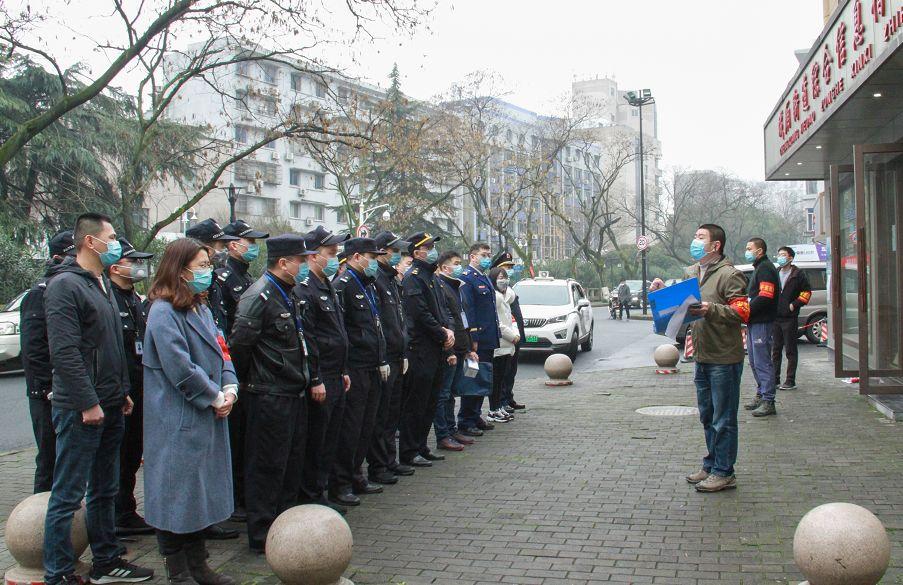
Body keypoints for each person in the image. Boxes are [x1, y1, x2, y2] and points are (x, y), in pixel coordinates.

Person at [43, 213, 153, 585]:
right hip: (80, 408)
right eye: (110, 237)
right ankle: (58, 573)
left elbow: (110, 348)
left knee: (105, 488)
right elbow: (66, 353)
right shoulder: (65, 287)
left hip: (109, 403)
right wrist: (88, 402)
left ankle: (106, 560)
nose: (117, 244)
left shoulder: (101, 283)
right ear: (90, 242)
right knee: (68, 494)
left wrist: (120, 391)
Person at [142, 238, 237, 585]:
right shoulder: (163, 311)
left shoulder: (202, 307)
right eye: (201, 266)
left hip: (208, 414)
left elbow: (222, 351)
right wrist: (213, 396)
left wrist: (230, 387)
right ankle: (178, 570)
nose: (208, 273)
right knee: (174, 497)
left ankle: (199, 565)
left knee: (200, 494)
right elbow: (179, 366)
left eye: (208, 266)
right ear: (180, 270)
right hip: (177, 418)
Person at [229, 235, 312, 553]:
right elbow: (240, 349)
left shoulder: (287, 293)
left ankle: (285, 528)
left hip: (292, 391)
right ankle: (262, 533)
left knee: (290, 466)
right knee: (267, 467)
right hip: (268, 394)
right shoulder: (259, 296)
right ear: (283, 262)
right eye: (301, 261)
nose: (304, 266)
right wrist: (255, 383)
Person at [685, 223, 749, 493]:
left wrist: (712, 310)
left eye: (701, 237)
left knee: (724, 418)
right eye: (695, 235)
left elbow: (743, 312)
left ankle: (725, 471)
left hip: (724, 358)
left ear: (716, 245)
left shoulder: (729, 275)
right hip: (703, 354)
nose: (695, 241)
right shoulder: (693, 273)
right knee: (708, 415)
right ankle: (711, 464)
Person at [294, 226, 352, 514]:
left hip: (334, 373)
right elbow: (310, 339)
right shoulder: (306, 290)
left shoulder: (327, 284)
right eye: (330, 254)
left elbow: (336, 333)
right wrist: (315, 377)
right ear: (313, 256)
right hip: (320, 377)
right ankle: (312, 496)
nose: (334, 258)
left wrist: (342, 369)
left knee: (331, 439)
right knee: (317, 441)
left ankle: (324, 490)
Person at [215, 219, 268, 525]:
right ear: (233, 245)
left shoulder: (246, 278)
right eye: (249, 242)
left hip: (246, 373)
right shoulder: (223, 279)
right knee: (235, 440)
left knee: (246, 439)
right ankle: (234, 500)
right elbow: (230, 332)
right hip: (235, 369)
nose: (253, 248)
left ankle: (244, 495)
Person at [330, 238, 389, 506]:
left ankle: (356, 474)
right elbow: (343, 331)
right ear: (355, 257)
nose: (375, 262)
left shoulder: (367, 285)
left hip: (371, 365)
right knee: (351, 429)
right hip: (355, 366)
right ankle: (342, 482)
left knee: (366, 425)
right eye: (371, 257)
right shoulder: (343, 286)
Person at [20, 230, 75, 494]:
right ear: (57, 258)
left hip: (66, 391)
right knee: (49, 458)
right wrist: (47, 388)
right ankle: (40, 515)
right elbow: (34, 349)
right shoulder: (38, 294)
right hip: (47, 394)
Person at [107, 238, 156, 537]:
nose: (138, 267)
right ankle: (114, 517)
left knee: (132, 455)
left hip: (140, 389)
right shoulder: (108, 298)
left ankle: (126, 510)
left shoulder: (134, 299)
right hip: (119, 392)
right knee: (117, 457)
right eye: (131, 261)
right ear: (114, 267)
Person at [398, 232, 455, 468]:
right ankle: (410, 451)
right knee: (417, 403)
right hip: (421, 348)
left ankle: (421, 445)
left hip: (437, 347)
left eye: (432, 246)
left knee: (431, 400)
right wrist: (442, 333)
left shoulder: (431, 277)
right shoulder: (413, 278)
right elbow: (420, 314)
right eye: (427, 247)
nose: (432, 251)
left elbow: (443, 311)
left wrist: (448, 331)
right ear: (416, 252)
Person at [367, 232, 415, 481]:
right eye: (394, 250)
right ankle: (378, 466)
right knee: (381, 416)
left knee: (392, 414)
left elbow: (398, 319)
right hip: (383, 358)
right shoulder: (375, 280)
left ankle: (388, 460)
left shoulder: (392, 281)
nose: (398, 255)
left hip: (397, 355)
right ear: (382, 251)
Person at [433, 250, 476, 452]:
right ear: (443, 267)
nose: (460, 267)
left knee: (451, 393)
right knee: (443, 394)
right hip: (448, 349)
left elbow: (461, 320)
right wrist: (449, 350)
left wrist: (467, 347)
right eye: (456, 263)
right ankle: (443, 434)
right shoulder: (440, 286)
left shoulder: (455, 287)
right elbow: (446, 320)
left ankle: (451, 429)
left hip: (459, 347)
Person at [457, 242, 499, 436]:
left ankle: (475, 415)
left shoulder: (483, 277)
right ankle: (466, 420)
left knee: (483, 376)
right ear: (472, 256)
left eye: (488, 254)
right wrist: (472, 337)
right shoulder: (467, 278)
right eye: (483, 254)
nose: (487, 257)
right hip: (477, 338)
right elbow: (468, 309)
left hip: (488, 336)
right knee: (472, 377)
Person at [743, 237, 780, 418]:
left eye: (749, 248)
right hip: (754, 321)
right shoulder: (759, 268)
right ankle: (761, 393)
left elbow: (765, 295)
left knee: (762, 361)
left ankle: (768, 400)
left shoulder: (765, 268)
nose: (747, 251)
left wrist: (747, 309)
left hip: (762, 322)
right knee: (754, 361)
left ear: (760, 251)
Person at [184, 218, 240, 337]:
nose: (224, 251)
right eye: (220, 246)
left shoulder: (214, 283)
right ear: (206, 249)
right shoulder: (186, 291)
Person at [772, 246, 812, 391]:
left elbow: (807, 292)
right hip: (775, 317)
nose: (780, 257)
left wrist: (794, 304)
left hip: (790, 317)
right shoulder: (775, 273)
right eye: (778, 254)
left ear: (790, 258)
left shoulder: (798, 274)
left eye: (783, 255)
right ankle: (775, 379)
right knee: (775, 350)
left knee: (790, 350)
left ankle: (790, 380)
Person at [491, 251, 526, 411]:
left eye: (510, 267)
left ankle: (508, 397)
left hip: (515, 334)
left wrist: (519, 335)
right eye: (505, 267)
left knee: (511, 370)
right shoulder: (496, 291)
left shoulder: (509, 289)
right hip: (505, 337)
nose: (508, 271)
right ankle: (502, 401)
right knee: (502, 373)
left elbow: (515, 315)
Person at [488, 267, 518, 423]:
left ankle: (499, 407)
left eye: (505, 277)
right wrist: (512, 336)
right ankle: (493, 409)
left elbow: (510, 318)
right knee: (496, 378)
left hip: (508, 344)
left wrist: (515, 334)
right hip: (499, 343)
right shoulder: (495, 297)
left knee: (502, 378)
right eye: (500, 277)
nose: (504, 279)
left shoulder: (507, 296)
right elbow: (497, 323)